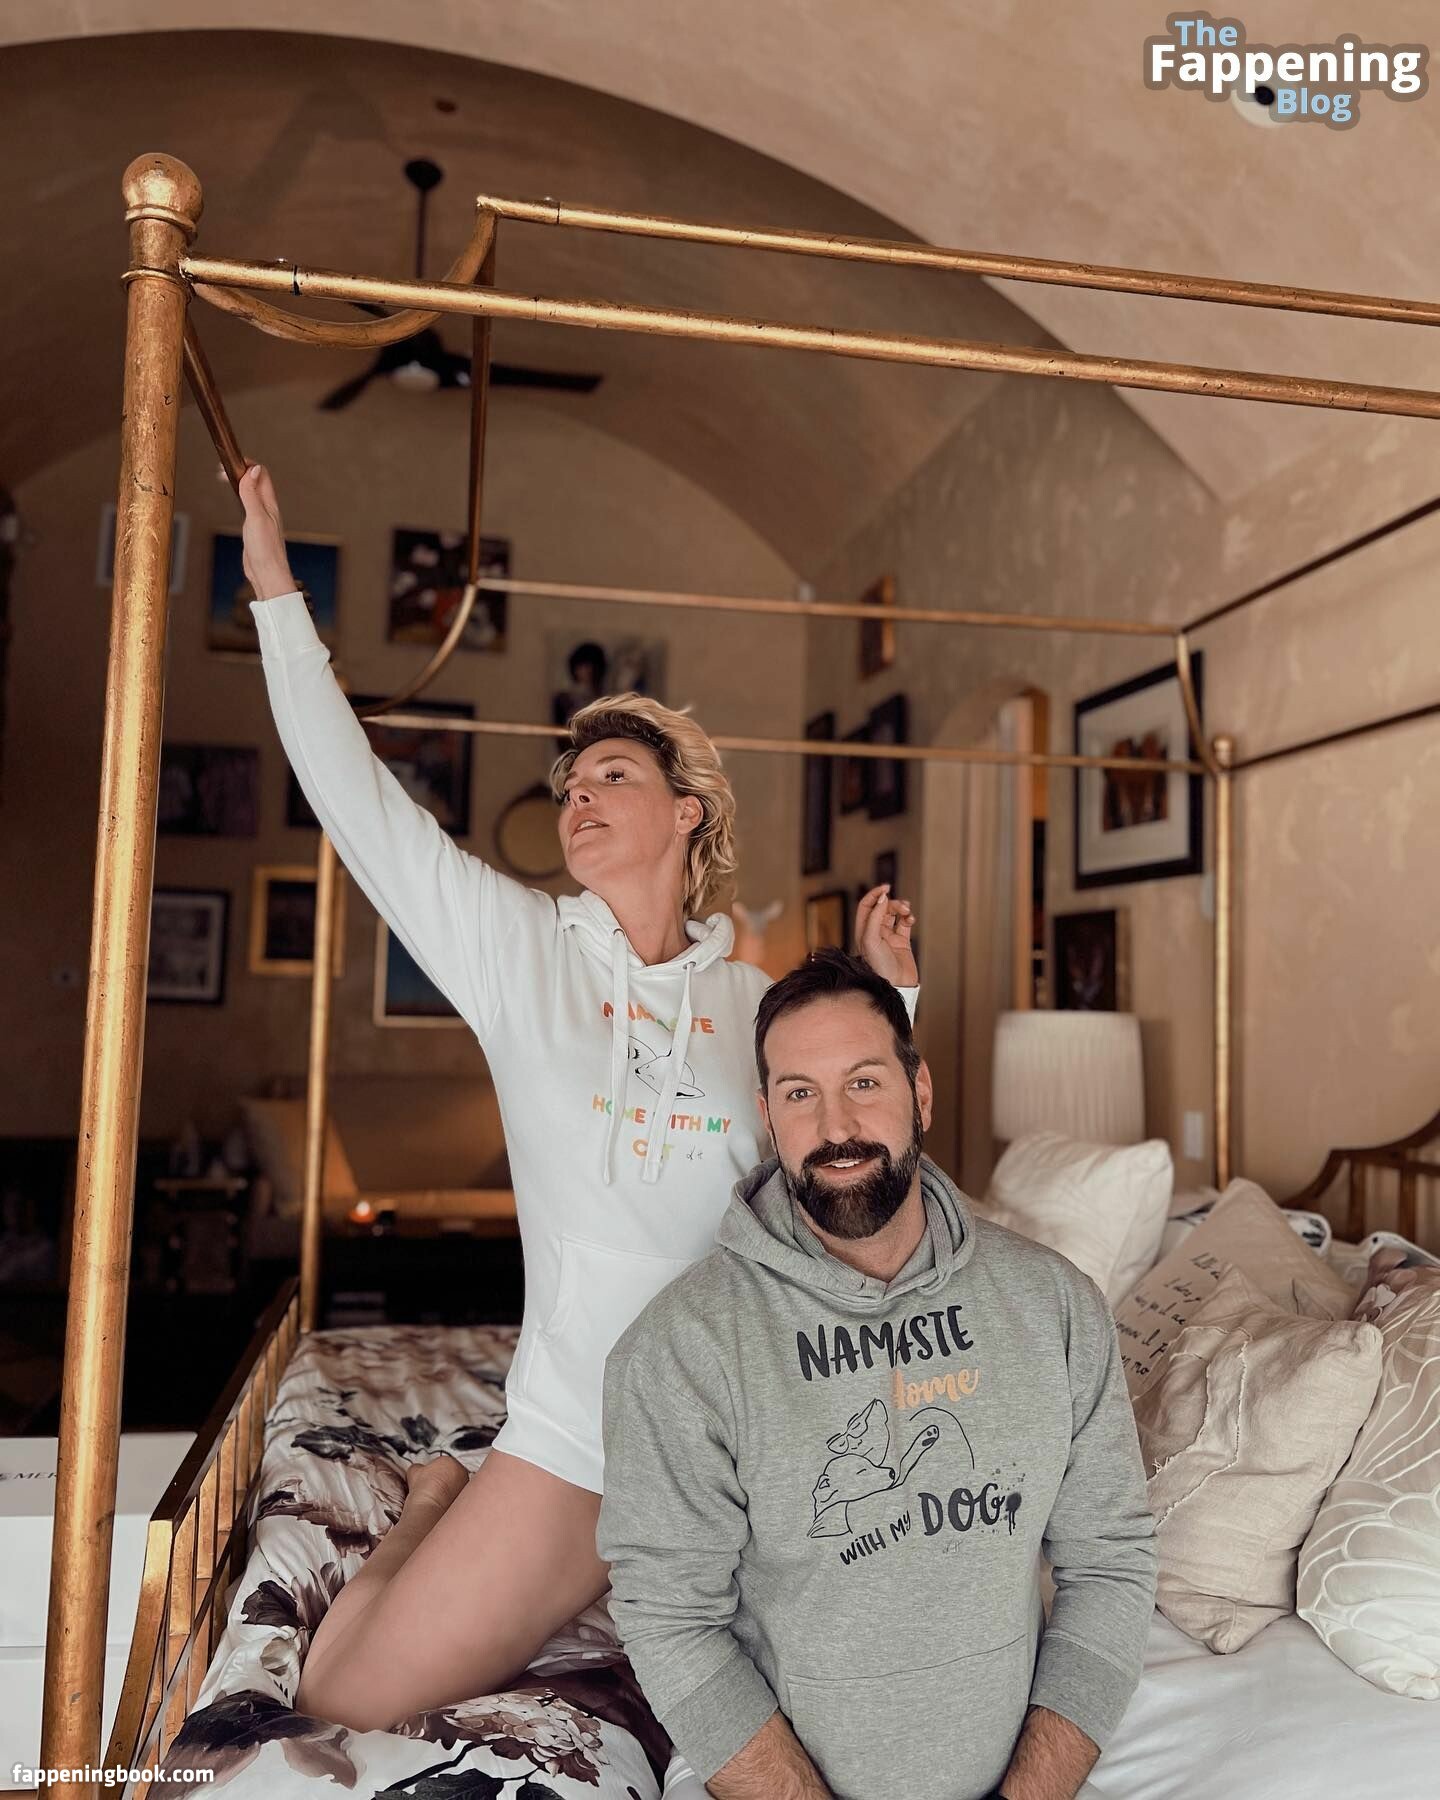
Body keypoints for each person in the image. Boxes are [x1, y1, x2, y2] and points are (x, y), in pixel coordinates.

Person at [235, 465, 920, 1741]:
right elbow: (360, 805)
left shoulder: (757, 1000)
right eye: (568, 788)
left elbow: (849, 1154)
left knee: (888, 1678)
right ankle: (440, 1502)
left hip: (739, 1436)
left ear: (687, 811)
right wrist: (278, 591)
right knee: (341, 1691)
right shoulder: (519, 951)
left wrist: (894, 1000)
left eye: (609, 776)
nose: (578, 800)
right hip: (577, 1438)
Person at [600, 949, 1157, 1800]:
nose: (836, 1128)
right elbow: (671, 1620)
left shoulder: (1055, 1306)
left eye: (864, 1082)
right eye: (800, 1094)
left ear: (919, 1092)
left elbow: (1111, 1563)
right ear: (767, 1116)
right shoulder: (681, 1349)